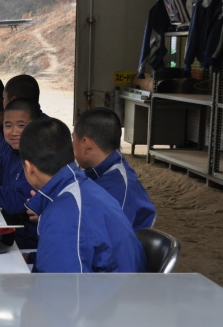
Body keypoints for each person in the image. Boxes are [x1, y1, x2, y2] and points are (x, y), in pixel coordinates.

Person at [21, 117, 146, 273]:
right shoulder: (83, 188)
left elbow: (61, 285)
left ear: (29, 167)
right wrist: (32, 258)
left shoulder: (62, 215)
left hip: (112, 288)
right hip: (124, 282)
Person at [72, 107, 156, 231]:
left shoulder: (118, 189)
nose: (72, 145)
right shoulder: (102, 170)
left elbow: (102, 236)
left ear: (85, 144)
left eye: (73, 139)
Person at [0, 98, 39, 249]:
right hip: (12, 228)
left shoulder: (39, 159)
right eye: (8, 125)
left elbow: (17, 200)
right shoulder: (11, 152)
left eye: (21, 126)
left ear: (35, 126)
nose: (13, 132)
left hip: (31, 242)